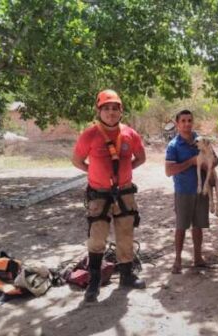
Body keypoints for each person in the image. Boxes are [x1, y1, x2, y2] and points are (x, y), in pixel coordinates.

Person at [71, 89, 146, 302]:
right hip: (99, 195)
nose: (111, 112)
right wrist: (93, 172)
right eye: (106, 108)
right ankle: (94, 282)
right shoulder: (90, 135)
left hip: (124, 194)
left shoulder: (130, 134)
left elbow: (141, 157)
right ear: (99, 111)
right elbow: (77, 160)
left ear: (121, 111)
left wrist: (125, 171)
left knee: (125, 235)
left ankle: (126, 276)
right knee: (97, 238)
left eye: (115, 108)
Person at [165, 110, 217, 274]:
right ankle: (177, 261)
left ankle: (198, 258)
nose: (187, 124)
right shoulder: (173, 145)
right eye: (183, 121)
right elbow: (169, 171)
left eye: (190, 120)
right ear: (177, 123)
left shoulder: (201, 140)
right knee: (181, 227)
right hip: (183, 191)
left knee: (198, 226)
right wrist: (192, 162)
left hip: (201, 191)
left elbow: (216, 160)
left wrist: (208, 164)